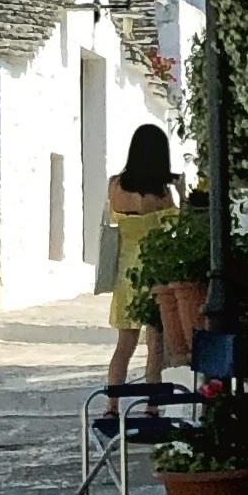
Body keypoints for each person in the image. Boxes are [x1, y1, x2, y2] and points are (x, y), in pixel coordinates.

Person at [102, 122, 181, 395]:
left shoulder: (114, 185)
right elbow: (175, 226)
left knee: (124, 345)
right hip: (152, 271)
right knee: (155, 345)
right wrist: (182, 193)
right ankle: (151, 406)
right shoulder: (160, 194)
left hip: (125, 273)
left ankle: (112, 406)